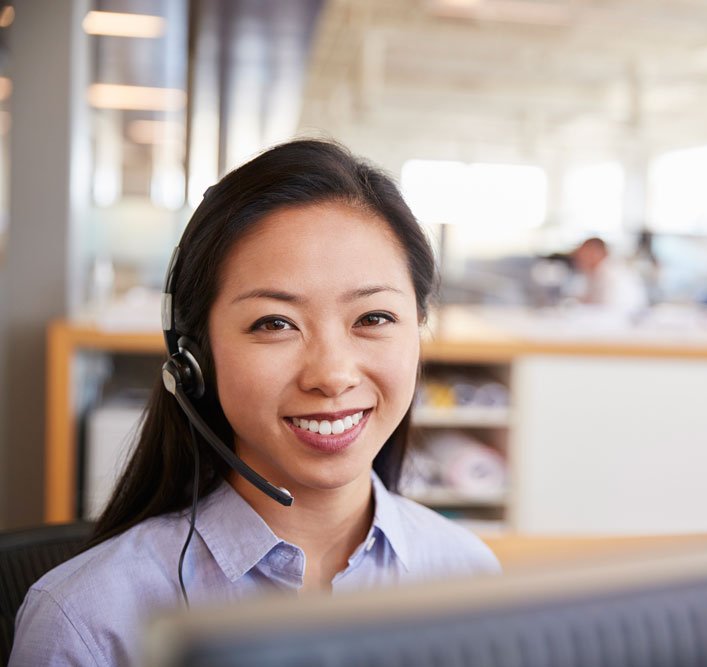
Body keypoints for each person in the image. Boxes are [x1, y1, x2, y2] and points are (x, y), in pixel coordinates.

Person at [11, 140, 500, 666]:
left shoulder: (465, 575)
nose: (332, 375)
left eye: (373, 318)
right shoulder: (89, 620)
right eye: (275, 324)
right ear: (196, 356)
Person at [570, 237, 648, 312]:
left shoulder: (612, 273)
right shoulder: (596, 272)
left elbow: (606, 308)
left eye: (584, 252)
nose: (579, 258)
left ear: (596, 253)